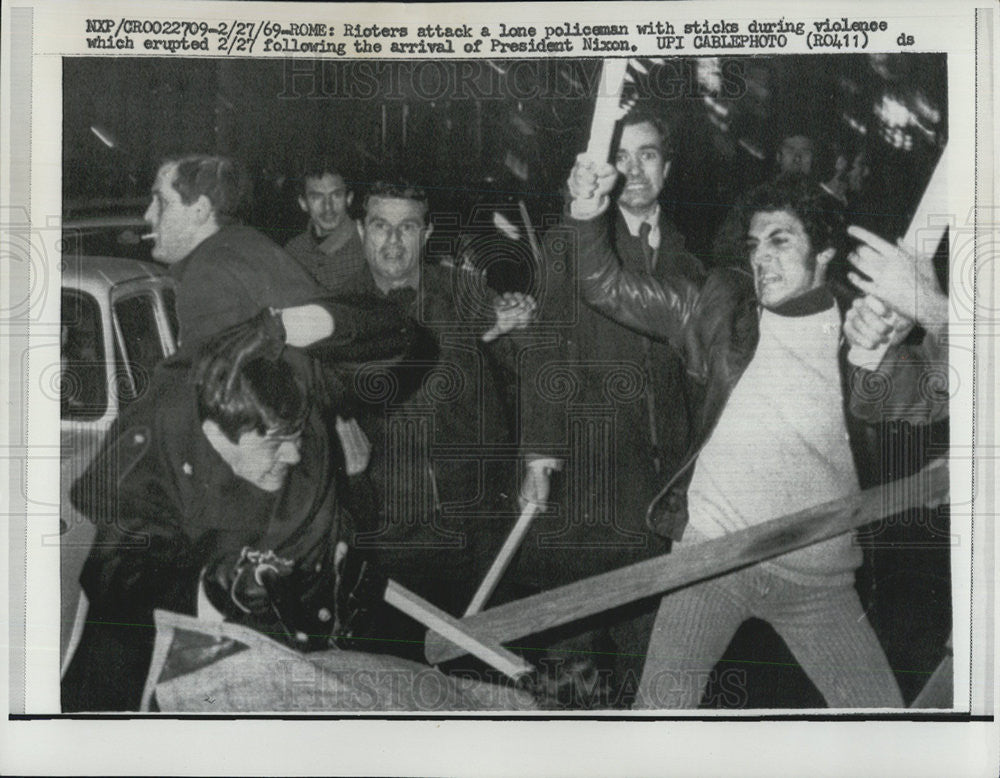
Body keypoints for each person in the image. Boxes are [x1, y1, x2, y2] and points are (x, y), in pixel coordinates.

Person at [565, 166, 948, 709]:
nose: (761, 256)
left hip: (818, 574)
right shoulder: (721, 310)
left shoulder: (864, 335)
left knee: (880, 726)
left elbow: (946, 392)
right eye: (754, 244)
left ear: (823, 254)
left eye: (780, 241)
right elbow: (605, 287)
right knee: (658, 716)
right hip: (711, 559)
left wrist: (934, 314)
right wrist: (585, 212)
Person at [60, 305, 417, 712]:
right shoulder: (154, 449)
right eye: (274, 442)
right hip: (205, 659)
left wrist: (308, 321)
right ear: (216, 434)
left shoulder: (296, 380)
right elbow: (115, 579)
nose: (295, 455)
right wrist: (210, 590)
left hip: (316, 638)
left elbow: (403, 340)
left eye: (297, 435)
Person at [513, 108, 704, 707]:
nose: (633, 168)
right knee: (570, 665)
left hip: (661, 495)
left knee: (650, 661)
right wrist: (540, 459)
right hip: (589, 481)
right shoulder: (572, 240)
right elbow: (546, 353)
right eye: (620, 156)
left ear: (667, 168)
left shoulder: (690, 263)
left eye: (647, 154)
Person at [337, 181, 535, 653]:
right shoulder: (335, 315)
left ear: (426, 234)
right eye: (381, 226)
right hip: (389, 546)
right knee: (397, 684)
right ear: (361, 230)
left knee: (486, 678)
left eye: (407, 228)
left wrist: (521, 320)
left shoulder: (465, 294)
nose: (393, 242)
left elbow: (532, 375)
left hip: (476, 533)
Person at [143, 154, 327, 350]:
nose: (148, 215)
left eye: (162, 202)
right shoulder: (247, 245)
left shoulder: (209, 275)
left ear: (200, 211)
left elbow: (203, 374)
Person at [284, 157, 367, 292]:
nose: (328, 207)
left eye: (336, 195)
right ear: (303, 203)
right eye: (317, 197)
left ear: (349, 198)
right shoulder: (293, 252)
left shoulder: (367, 247)